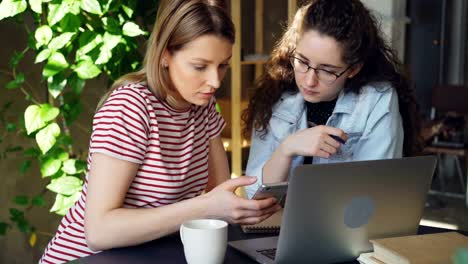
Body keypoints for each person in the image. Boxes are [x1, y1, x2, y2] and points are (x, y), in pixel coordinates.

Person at [40, 1, 280, 263]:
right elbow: (98, 231)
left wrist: (242, 209)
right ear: (165, 55)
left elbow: (217, 197)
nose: (215, 81)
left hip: (151, 254)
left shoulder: (202, 105)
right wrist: (203, 207)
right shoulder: (130, 107)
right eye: (200, 66)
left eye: (223, 65)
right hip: (88, 257)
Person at [242, 0, 422, 198]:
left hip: (346, 227)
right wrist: (287, 148)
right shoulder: (275, 93)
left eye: (327, 71)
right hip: (276, 225)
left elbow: (376, 194)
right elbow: (252, 194)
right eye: (302, 61)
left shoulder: (377, 100)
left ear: (353, 69)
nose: (309, 81)